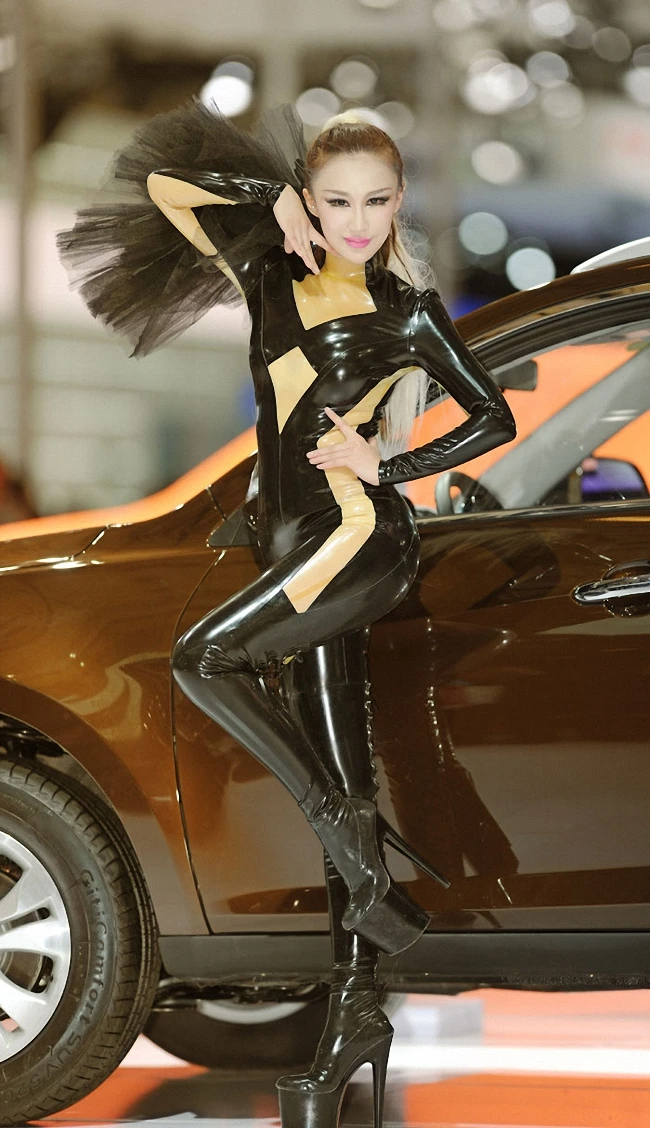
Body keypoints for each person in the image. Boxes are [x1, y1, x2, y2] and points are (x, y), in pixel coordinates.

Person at [57, 98, 516, 1127]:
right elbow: (165, 184)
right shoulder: (268, 269)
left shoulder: (405, 310)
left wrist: (389, 461)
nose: (357, 221)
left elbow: (494, 414)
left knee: (203, 658)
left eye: (376, 202)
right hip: (290, 546)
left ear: (398, 204)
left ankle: (354, 839)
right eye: (337, 201)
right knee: (344, 764)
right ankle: (353, 1015)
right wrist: (268, 198)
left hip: (355, 535)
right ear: (312, 198)